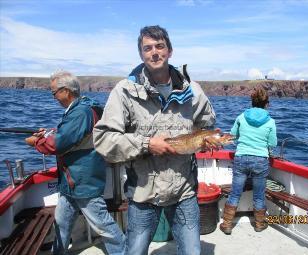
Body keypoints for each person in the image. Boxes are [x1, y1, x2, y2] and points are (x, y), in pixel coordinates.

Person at [93, 25, 216, 255]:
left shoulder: (194, 91)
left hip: (184, 191)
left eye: (160, 46)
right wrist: (147, 144)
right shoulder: (125, 91)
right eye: (147, 48)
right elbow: (103, 139)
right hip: (143, 194)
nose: (154, 52)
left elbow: (206, 124)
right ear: (141, 54)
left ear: (170, 51)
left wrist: (204, 140)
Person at [25, 71, 126, 255]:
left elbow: (60, 143)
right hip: (71, 181)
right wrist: (49, 132)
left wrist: (36, 142)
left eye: (54, 92)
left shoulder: (80, 112)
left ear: (66, 91)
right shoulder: (83, 107)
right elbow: (71, 134)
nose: (53, 96)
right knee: (61, 223)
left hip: (82, 181)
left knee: (103, 225)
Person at [220, 87, 277, 235]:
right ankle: (259, 224)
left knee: (235, 193)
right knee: (259, 194)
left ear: (252, 102)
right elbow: (272, 143)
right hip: (260, 160)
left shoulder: (241, 117)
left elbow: (233, 135)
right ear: (267, 104)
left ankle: (226, 224)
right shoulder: (270, 121)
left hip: (241, 158)